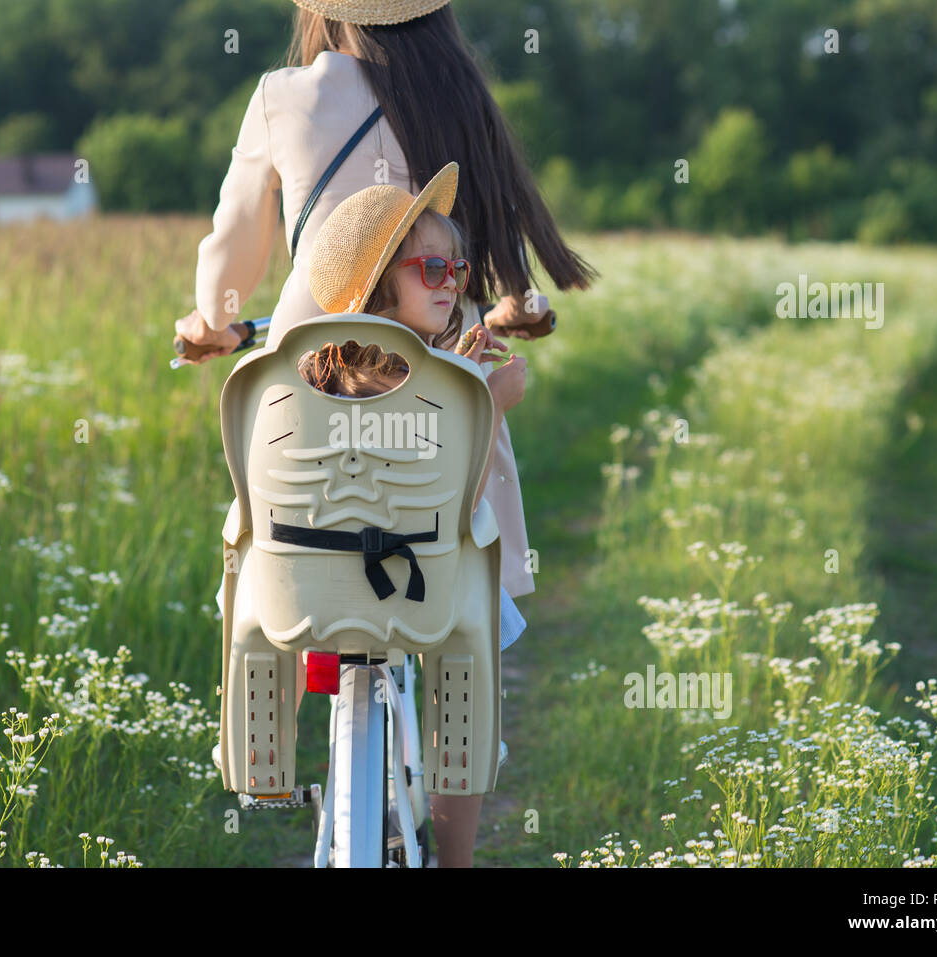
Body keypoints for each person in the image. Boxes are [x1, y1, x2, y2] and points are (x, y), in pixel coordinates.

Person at [178, 0, 599, 606]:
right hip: (438, 341)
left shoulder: (283, 94)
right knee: (459, 540)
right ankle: (460, 670)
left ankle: (274, 678)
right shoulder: (460, 92)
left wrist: (213, 322)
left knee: (285, 550)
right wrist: (519, 306)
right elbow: (500, 223)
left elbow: (234, 242)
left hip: (316, 345)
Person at [301, 161, 527, 866]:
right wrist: (487, 401)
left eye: (457, 271)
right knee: (472, 653)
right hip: (420, 575)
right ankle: (456, 854)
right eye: (432, 268)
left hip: (315, 577)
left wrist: (455, 365)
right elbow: (454, 487)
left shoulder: (330, 366)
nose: (453, 284)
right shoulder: (426, 381)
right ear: (378, 285)